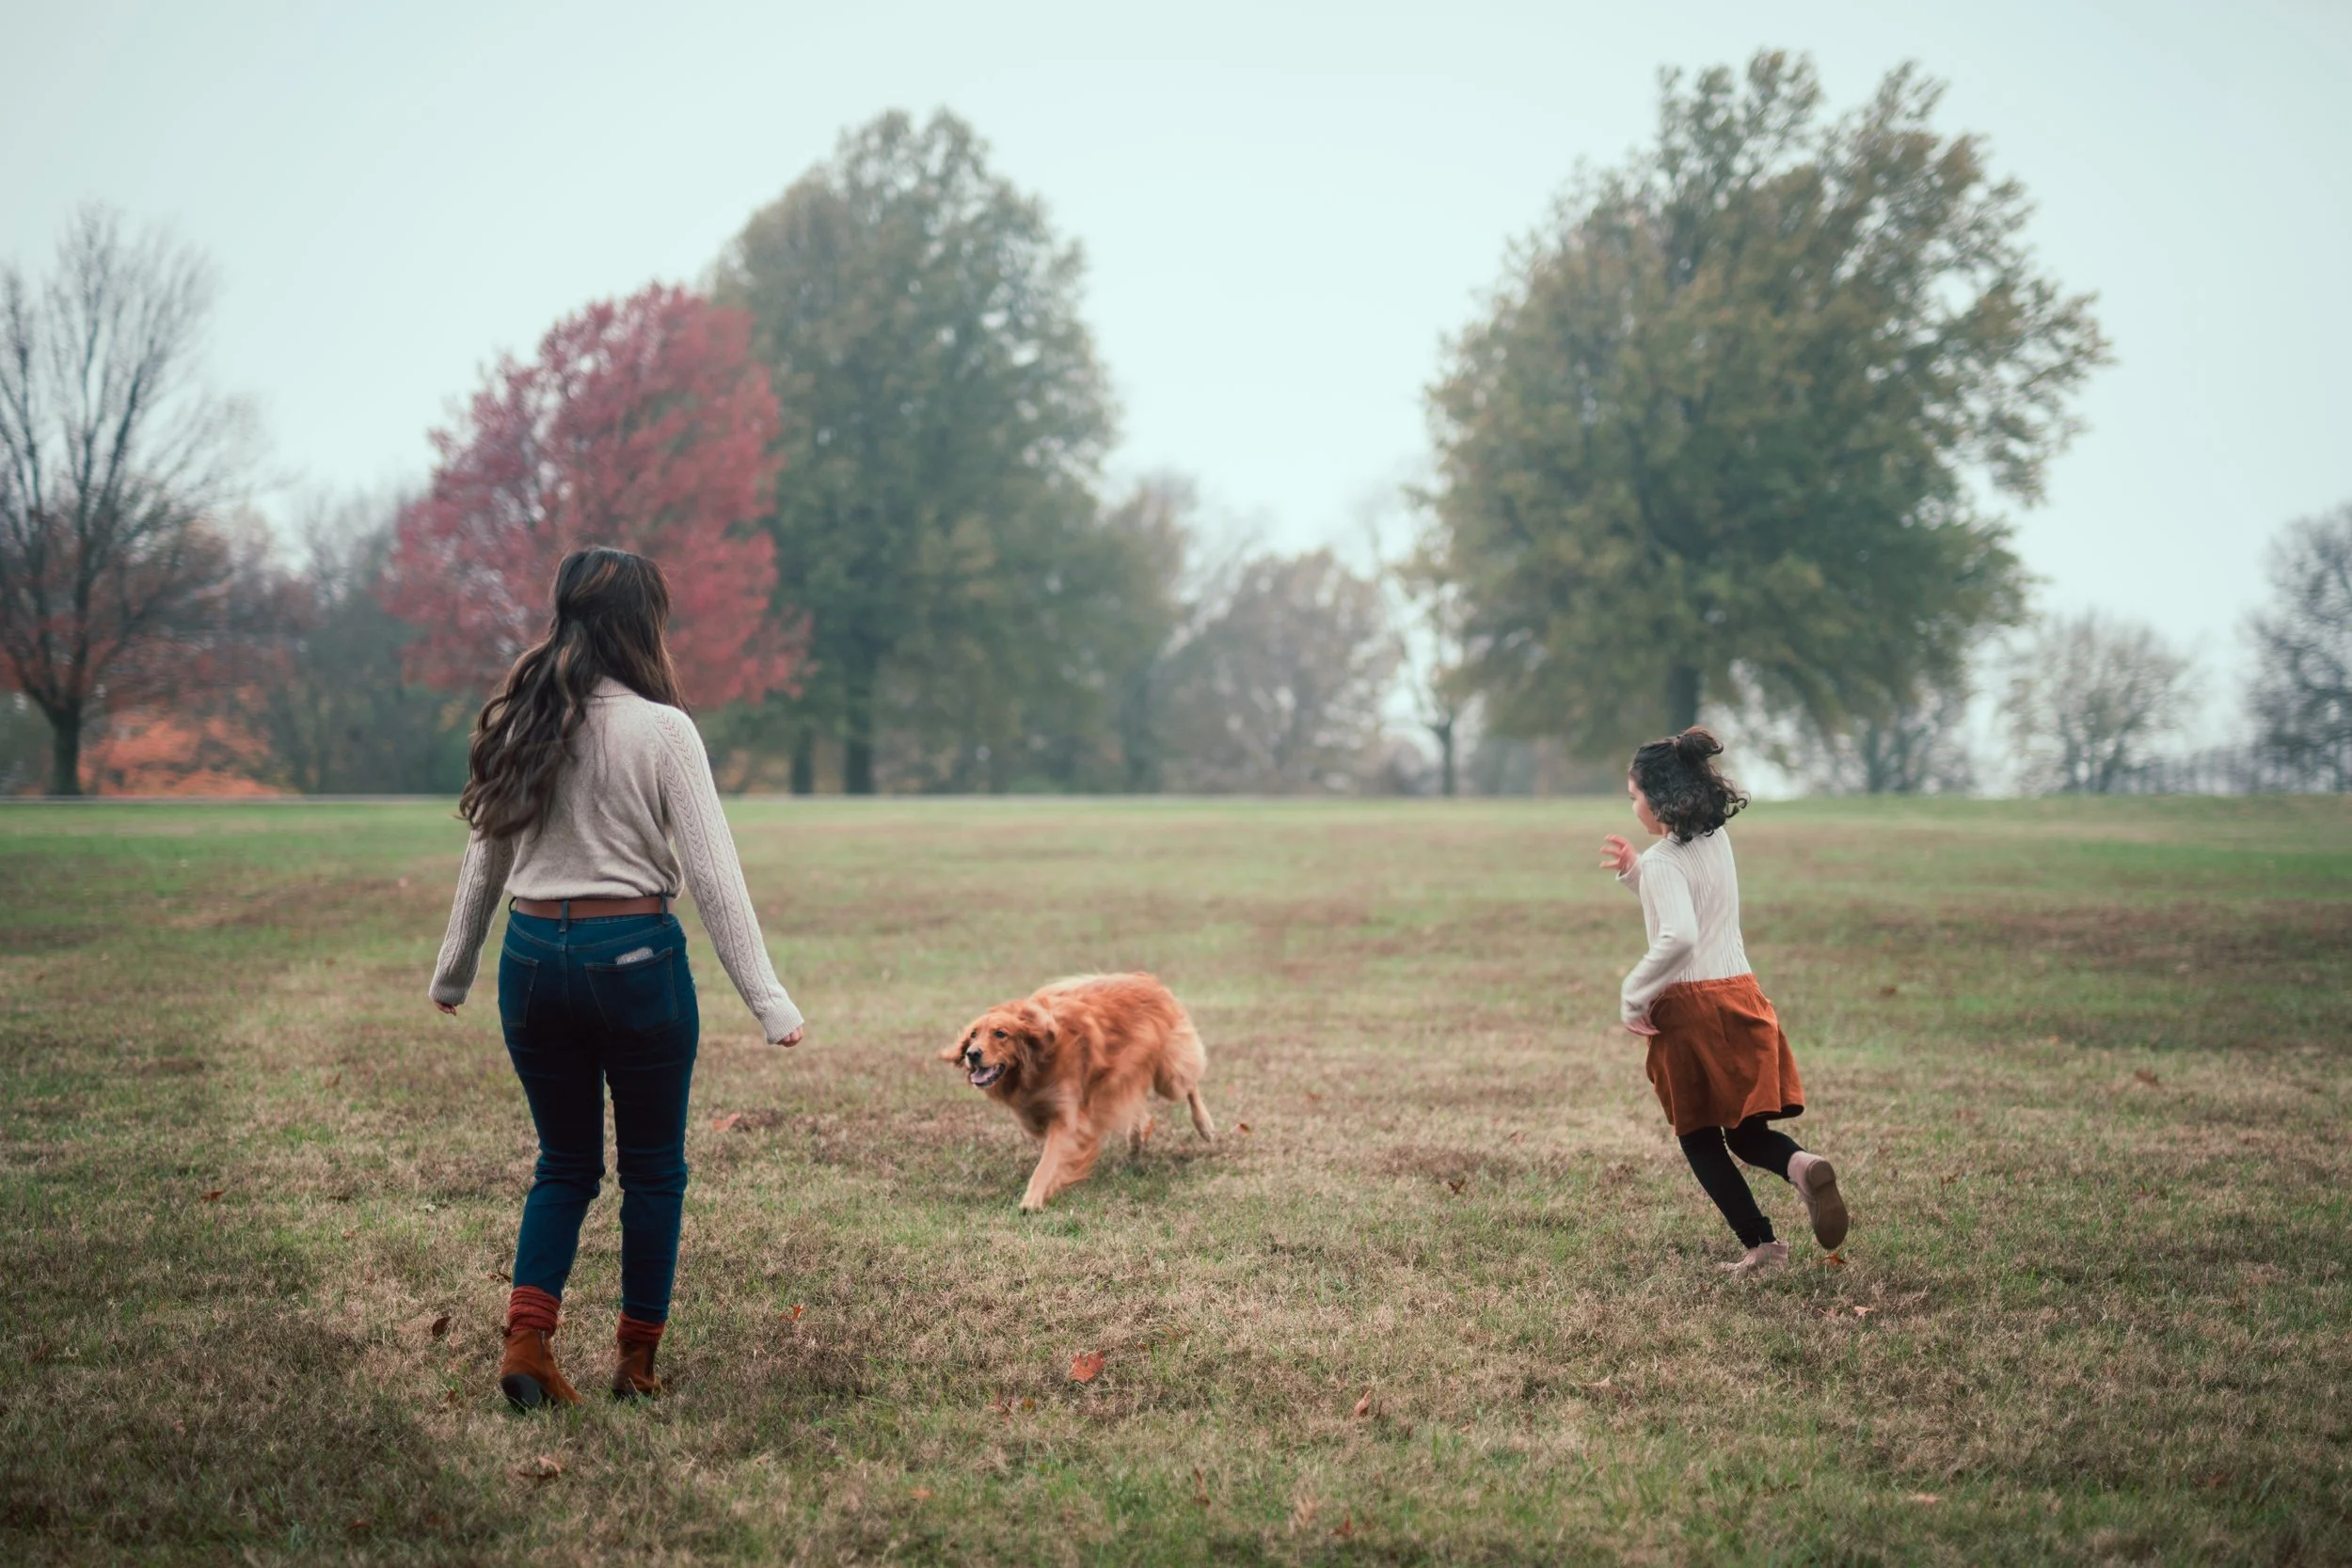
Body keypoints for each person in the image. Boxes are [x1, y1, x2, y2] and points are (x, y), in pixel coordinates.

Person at [428, 546, 805, 1407]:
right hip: (633, 958)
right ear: (644, 624)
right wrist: (769, 999)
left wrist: (454, 971)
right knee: (653, 1171)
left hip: (529, 963)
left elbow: (481, 861)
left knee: (563, 1164)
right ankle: (635, 1364)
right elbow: (714, 874)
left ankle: (528, 1344)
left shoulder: (522, 720)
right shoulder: (663, 728)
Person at [1599, 728, 1846, 1275]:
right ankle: (1802, 1166)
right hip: (1742, 996)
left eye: (1635, 795)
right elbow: (1691, 904)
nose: (1633, 805)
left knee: (1697, 1134)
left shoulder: (1667, 860)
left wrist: (1632, 992)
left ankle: (1763, 1245)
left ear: (1660, 799)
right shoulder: (1714, 841)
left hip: (1690, 1009)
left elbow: (1680, 936)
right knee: (1746, 1133)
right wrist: (1636, 875)